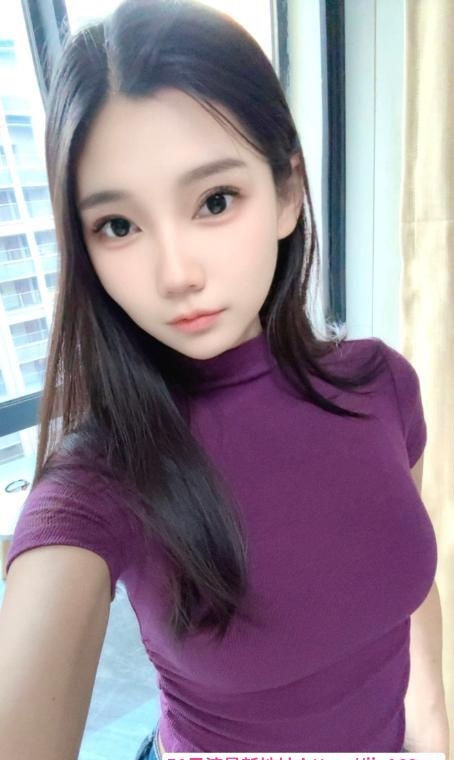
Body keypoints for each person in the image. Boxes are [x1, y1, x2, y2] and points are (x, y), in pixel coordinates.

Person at [0, 0, 444, 758]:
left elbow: (406, 584)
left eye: (214, 201)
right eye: (118, 225)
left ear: (288, 194)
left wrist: (433, 729)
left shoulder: (382, 385)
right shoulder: (103, 476)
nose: (176, 274)